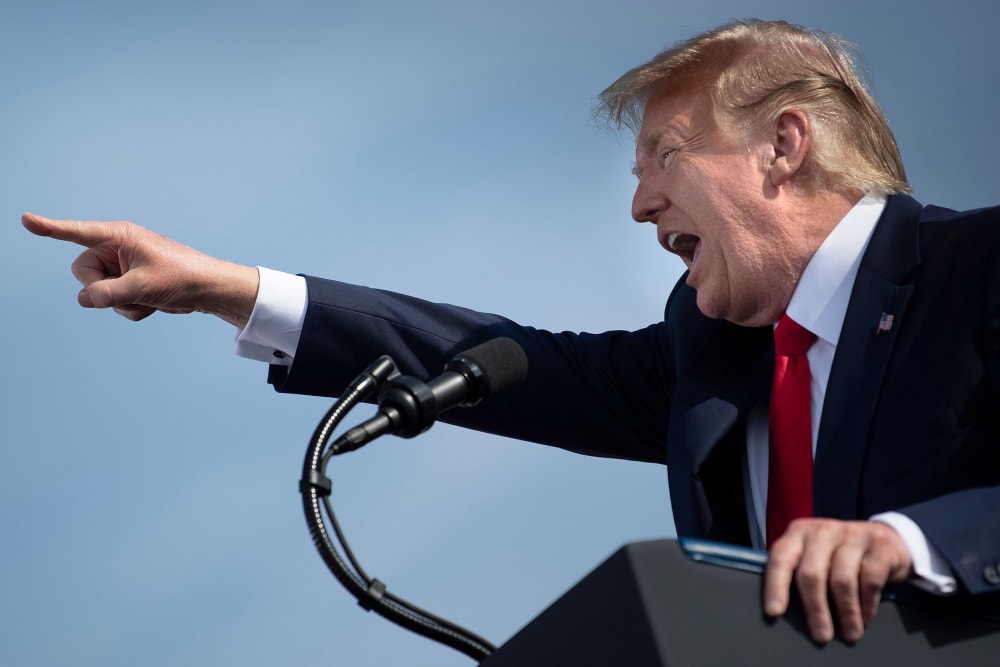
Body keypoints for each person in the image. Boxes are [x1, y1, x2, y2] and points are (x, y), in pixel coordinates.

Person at [23, 19, 1000, 646]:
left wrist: (909, 543)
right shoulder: (707, 353)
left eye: (663, 155)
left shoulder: (978, 269)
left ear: (782, 146)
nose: (641, 205)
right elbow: (499, 361)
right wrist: (225, 287)